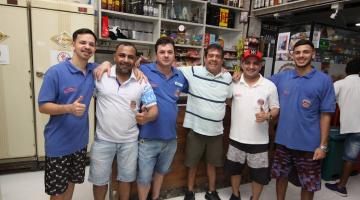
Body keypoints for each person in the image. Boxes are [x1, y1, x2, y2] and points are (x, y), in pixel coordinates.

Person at [88, 42, 158, 200]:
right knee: (99, 181)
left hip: (129, 141)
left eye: (130, 57)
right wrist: (103, 64)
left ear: (135, 61)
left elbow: (154, 110)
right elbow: (84, 65)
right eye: (122, 55)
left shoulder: (142, 81)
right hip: (103, 140)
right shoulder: (100, 75)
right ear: (114, 57)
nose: (125, 59)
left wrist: (147, 117)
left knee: (126, 179)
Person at [270, 39, 336, 200]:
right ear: (292, 55)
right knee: (281, 177)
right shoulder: (281, 78)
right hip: (283, 141)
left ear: (313, 54)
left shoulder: (324, 80)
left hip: (309, 146)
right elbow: (257, 79)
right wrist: (234, 76)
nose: (301, 56)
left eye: (306, 52)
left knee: (309, 183)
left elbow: (326, 115)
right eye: (297, 52)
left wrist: (323, 145)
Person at [38, 28, 99, 200]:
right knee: (57, 191)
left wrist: (108, 64)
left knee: (71, 183)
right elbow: (43, 106)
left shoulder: (93, 71)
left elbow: (109, 66)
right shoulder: (55, 72)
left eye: (91, 44)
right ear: (73, 45)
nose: (87, 47)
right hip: (58, 144)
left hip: (79, 143)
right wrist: (68, 108)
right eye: (82, 42)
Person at [137, 37, 188, 200]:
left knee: (161, 172)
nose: (166, 55)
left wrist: (223, 71)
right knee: (144, 177)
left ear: (174, 55)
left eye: (169, 52)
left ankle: (156, 197)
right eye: (162, 52)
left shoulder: (180, 76)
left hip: (170, 138)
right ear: (156, 54)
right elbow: (121, 66)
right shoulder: (144, 70)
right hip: (148, 137)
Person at [224, 49, 280, 200]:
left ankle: (254, 198)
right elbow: (228, 101)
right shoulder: (234, 83)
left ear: (260, 65)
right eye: (247, 62)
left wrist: (267, 115)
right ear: (242, 64)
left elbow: (275, 109)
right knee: (235, 171)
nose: (251, 66)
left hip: (260, 141)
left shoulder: (269, 86)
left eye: (255, 63)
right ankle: (235, 195)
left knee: (259, 175)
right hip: (236, 137)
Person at [182, 44, 232, 200]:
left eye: (217, 56)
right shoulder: (193, 71)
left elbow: (229, 99)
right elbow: (168, 67)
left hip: (216, 131)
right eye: (211, 55)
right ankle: (190, 192)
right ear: (205, 58)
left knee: (213, 163)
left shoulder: (228, 77)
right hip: (196, 129)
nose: (214, 59)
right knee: (192, 163)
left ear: (222, 60)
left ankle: (212, 191)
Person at [325, 59, 360, 197]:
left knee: (349, 157)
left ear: (346, 70)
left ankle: (341, 186)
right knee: (352, 156)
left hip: (353, 127)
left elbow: (328, 103)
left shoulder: (340, 84)